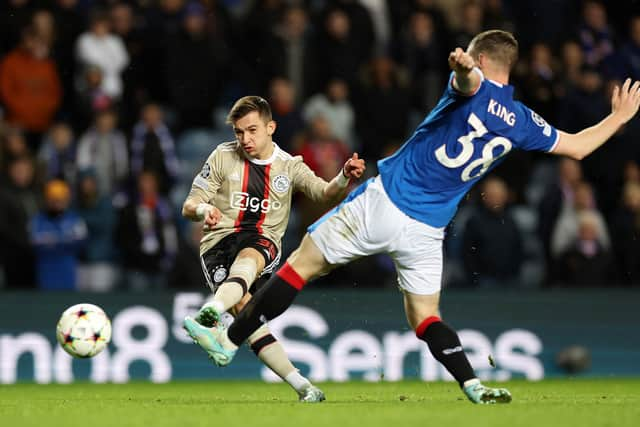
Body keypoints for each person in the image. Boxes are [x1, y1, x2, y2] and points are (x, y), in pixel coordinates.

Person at [183, 30, 640, 404]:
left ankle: (229, 338)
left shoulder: (471, 88)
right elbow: (579, 146)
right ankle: (471, 383)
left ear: (481, 56)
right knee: (425, 316)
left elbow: (468, 84)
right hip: (428, 229)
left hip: (386, 201)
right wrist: (617, 118)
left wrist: (463, 70)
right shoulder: (523, 120)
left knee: (300, 264)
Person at [181, 96, 365, 402]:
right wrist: (202, 211)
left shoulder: (289, 166)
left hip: (261, 240)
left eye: (252, 130)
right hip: (217, 244)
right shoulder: (222, 156)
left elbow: (324, 193)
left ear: (271, 127)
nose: (245, 139)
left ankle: (210, 312)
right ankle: (303, 386)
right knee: (246, 313)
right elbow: (190, 203)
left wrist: (344, 175)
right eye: (239, 132)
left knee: (250, 256)